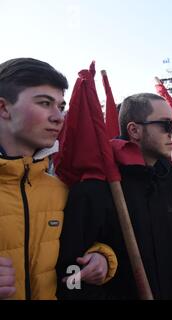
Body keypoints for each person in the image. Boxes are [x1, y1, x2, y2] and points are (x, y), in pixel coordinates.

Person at [0, 58, 116, 300]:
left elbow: (80, 250)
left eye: (60, 107)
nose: (58, 117)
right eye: (45, 103)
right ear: (3, 108)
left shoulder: (61, 189)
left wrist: (102, 258)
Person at [57, 93, 172, 299]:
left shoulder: (167, 178)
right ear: (134, 130)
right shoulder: (96, 188)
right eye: (166, 125)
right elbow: (70, 277)